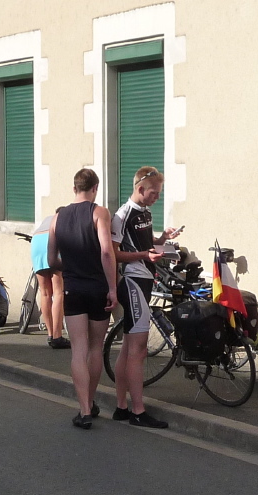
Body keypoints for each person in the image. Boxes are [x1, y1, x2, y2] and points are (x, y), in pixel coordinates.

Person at [110, 167, 182, 429]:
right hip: (132, 282)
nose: (157, 197)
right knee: (138, 350)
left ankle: (121, 407)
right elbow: (113, 253)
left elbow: (145, 243)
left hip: (144, 280)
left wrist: (163, 239)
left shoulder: (145, 213)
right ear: (140, 189)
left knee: (129, 348)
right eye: (154, 193)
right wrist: (144, 256)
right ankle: (138, 411)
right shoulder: (122, 215)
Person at [47, 168, 117, 430]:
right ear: (95, 188)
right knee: (96, 347)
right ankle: (91, 399)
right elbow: (107, 252)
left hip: (73, 288)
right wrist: (113, 287)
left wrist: (70, 267)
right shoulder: (99, 213)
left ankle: (84, 409)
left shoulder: (57, 217)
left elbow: (51, 259)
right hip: (98, 286)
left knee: (78, 348)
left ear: (74, 188)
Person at [32, 210, 70, 349]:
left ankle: (50, 334)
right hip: (52, 240)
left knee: (45, 293)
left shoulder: (48, 218)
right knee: (58, 292)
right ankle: (57, 336)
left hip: (36, 242)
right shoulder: (67, 219)